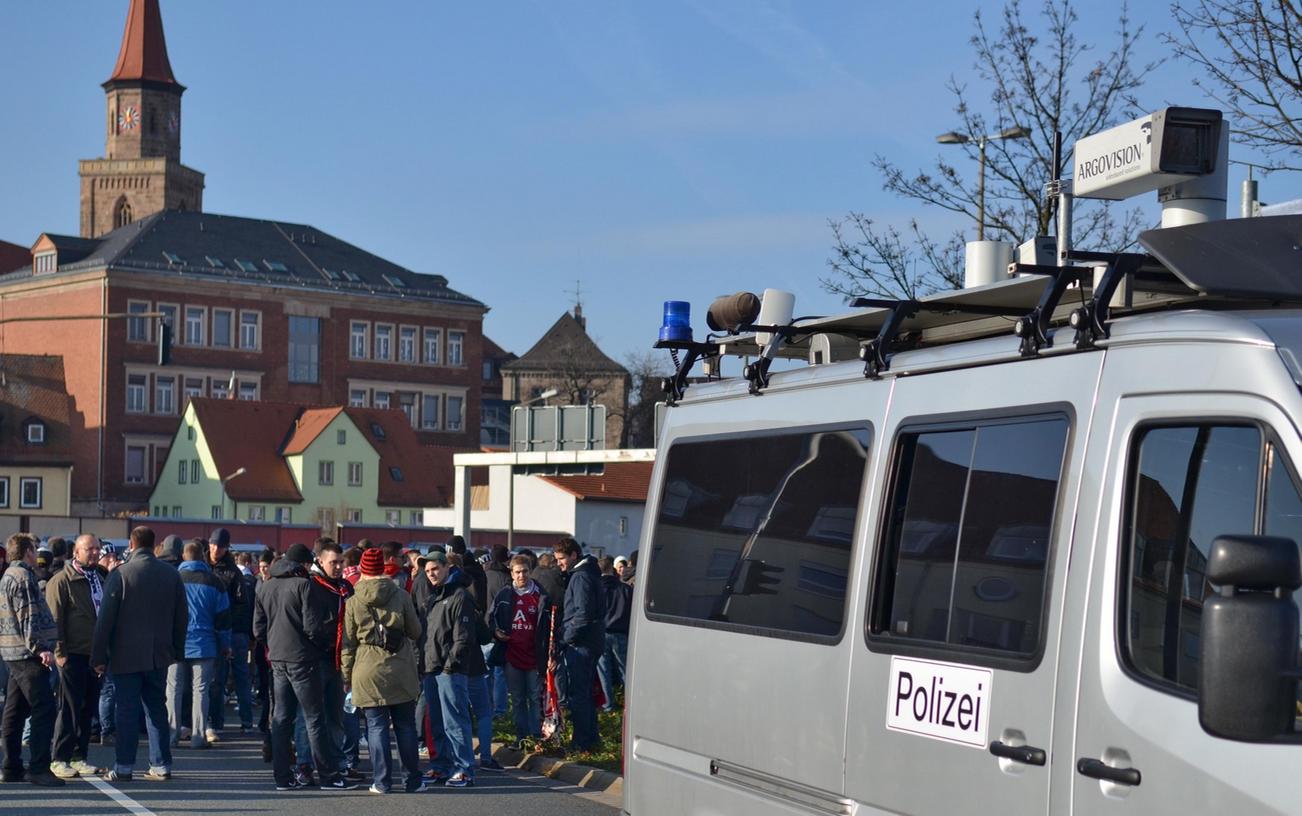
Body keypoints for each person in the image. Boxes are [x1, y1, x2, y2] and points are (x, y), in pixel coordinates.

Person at [252, 542, 356, 792]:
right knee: (314, 718)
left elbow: (258, 628)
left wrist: (273, 646)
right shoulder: (304, 585)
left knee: (282, 719)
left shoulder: (266, 586)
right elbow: (313, 628)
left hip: (277, 659)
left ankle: (282, 777)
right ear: (304, 564)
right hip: (303, 659)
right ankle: (329, 776)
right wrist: (322, 646)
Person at [91, 526, 187, 783]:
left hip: (125, 656)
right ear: (154, 546)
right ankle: (161, 764)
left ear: (131, 545)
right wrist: (177, 650)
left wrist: (98, 656)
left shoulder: (121, 574)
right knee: (156, 709)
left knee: (127, 711)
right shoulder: (171, 575)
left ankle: (124, 766)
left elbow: (105, 620)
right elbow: (181, 618)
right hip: (159, 654)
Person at [341, 548, 425, 794]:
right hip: (400, 667)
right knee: (406, 726)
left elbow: (348, 642)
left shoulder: (353, 601)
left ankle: (382, 782)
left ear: (363, 570)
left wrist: (346, 675)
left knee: (376, 727)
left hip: (367, 668)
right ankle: (412, 781)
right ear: (382, 568)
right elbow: (416, 632)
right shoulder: (401, 595)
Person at [0, 533, 63, 787]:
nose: (36, 553)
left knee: (14, 711)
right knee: (44, 708)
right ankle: (38, 768)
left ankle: (11, 765)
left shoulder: (7, 576)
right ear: (27, 551)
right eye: (34, 549)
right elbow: (28, 617)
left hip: (11, 650)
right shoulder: (24, 576)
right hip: (26, 653)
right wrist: (40, 648)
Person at [45, 534, 108, 779]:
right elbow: (54, 620)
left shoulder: (100, 578)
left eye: (96, 548)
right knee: (69, 709)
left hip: (95, 655)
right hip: (71, 655)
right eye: (89, 549)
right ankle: (59, 758)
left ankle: (79, 757)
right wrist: (59, 654)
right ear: (76, 552)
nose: (94, 552)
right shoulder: (61, 581)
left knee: (87, 709)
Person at [420, 550, 477, 788]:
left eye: (435, 568)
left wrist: (450, 666)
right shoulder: (434, 597)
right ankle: (441, 766)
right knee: (437, 723)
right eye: (428, 571)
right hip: (432, 669)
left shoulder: (459, 596)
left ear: (446, 567)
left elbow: (462, 638)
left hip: (450, 671)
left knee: (455, 722)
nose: (431, 574)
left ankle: (463, 769)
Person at [306, 538, 359, 781]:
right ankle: (306, 765)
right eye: (333, 563)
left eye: (340, 562)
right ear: (320, 561)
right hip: (318, 660)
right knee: (312, 717)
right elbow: (311, 625)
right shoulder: (312, 586)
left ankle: (339, 763)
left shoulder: (347, 587)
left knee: (337, 716)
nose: (337, 567)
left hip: (342, 660)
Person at [169, 541, 230, 749]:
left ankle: (171, 735)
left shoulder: (173, 580)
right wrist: (225, 645)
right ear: (203, 556)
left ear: (184, 557)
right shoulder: (215, 582)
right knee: (201, 691)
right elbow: (223, 619)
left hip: (175, 644)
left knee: (173, 690)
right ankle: (198, 736)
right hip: (205, 643)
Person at [552, 537, 606, 753]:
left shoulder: (580, 578)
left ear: (574, 555)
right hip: (590, 641)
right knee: (585, 694)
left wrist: (566, 636)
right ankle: (590, 739)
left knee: (578, 695)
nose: (559, 564)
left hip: (581, 643)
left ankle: (581, 742)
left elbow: (582, 613)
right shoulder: (588, 574)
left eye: (562, 558)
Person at [491, 554, 550, 746]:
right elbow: (490, 619)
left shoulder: (540, 596)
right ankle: (521, 736)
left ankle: (535, 735)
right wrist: (496, 632)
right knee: (517, 698)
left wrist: (551, 653)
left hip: (534, 655)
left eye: (525, 571)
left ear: (531, 571)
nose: (521, 575)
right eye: (517, 572)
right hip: (512, 655)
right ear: (512, 573)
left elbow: (551, 627)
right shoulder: (504, 595)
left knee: (534, 697)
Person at [207, 529, 254, 735]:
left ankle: (246, 721)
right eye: (214, 545)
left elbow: (242, 604)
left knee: (240, 676)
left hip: (233, 631)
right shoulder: (205, 567)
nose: (216, 549)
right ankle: (216, 722)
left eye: (221, 546)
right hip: (214, 630)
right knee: (217, 680)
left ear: (227, 547)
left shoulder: (232, 571)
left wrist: (230, 625)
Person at [597, 556, 632, 712]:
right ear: (612, 568)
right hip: (621, 633)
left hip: (602, 632)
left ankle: (608, 704)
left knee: (604, 670)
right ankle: (630, 704)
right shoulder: (625, 589)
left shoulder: (596, 589)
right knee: (625, 670)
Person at [481, 545, 511, 718]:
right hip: (499, 632)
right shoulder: (506, 580)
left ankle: (485, 710)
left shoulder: (483, 576)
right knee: (500, 673)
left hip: (484, 632)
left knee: (485, 674)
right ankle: (499, 712)